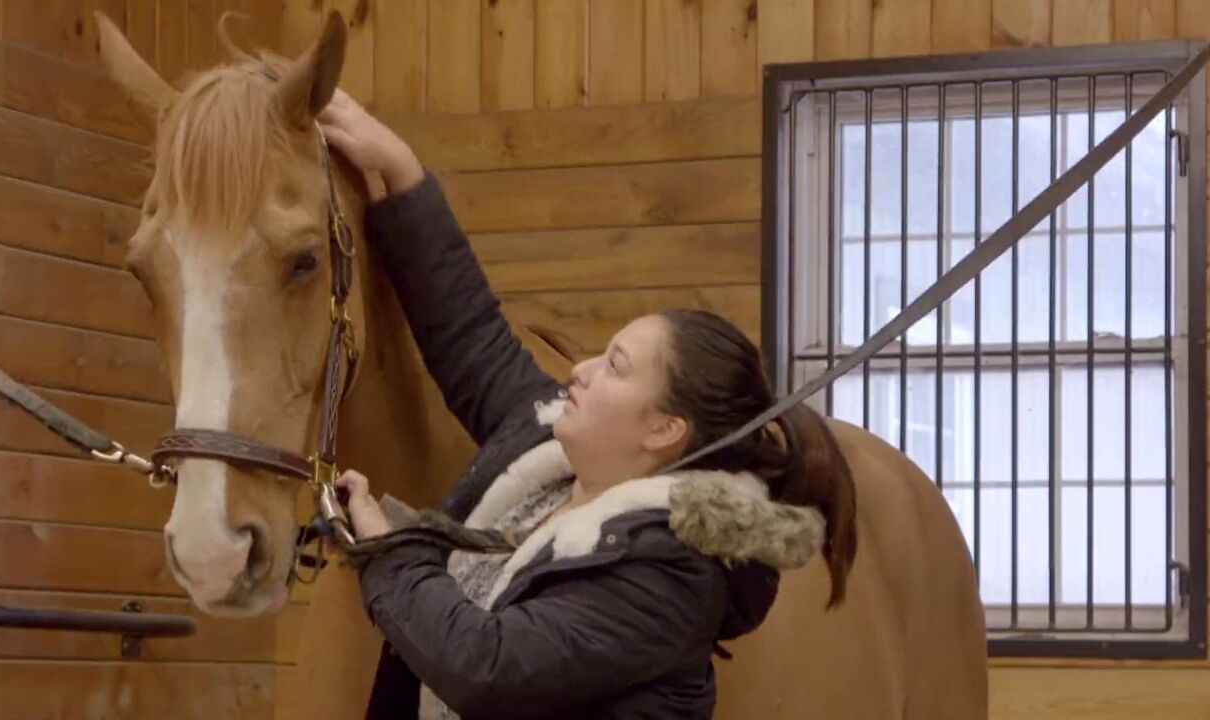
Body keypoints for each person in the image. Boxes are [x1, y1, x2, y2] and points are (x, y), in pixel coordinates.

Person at [320, 89, 858, 720]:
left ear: (663, 428)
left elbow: (485, 666)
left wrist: (388, 552)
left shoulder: (671, 574)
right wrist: (402, 173)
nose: (579, 370)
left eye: (616, 366)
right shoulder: (552, 466)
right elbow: (469, 336)